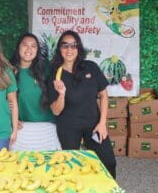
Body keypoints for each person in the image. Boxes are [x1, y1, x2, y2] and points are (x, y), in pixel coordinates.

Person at [48, 30, 116, 179]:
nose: (69, 49)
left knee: (108, 162)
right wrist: (61, 94)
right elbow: (55, 111)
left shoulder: (90, 67)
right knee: (70, 165)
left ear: (78, 48)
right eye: (65, 45)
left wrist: (102, 123)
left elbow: (104, 95)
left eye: (73, 45)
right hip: (68, 126)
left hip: (93, 123)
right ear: (59, 49)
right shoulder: (55, 75)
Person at [9, 33, 61, 151]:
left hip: (46, 126)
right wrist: (12, 119)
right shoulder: (9, 70)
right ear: (18, 47)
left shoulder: (46, 68)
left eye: (33, 46)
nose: (29, 49)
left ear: (37, 50)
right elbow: (2, 99)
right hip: (22, 127)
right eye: (25, 45)